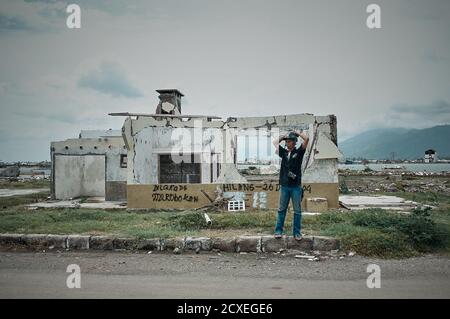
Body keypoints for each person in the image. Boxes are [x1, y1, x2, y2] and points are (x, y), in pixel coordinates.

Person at [273, 129, 309, 240]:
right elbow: (275, 143)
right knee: (281, 210)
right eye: (287, 141)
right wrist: (283, 136)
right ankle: (278, 231)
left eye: (290, 141)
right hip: (284, 186)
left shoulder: (299, 152)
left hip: (296, 187)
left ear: (294, 142)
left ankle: (297, 233)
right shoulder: (283, 153)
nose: (288, 143)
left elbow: (307, 139)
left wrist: (297, 133)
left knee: (297, 211)